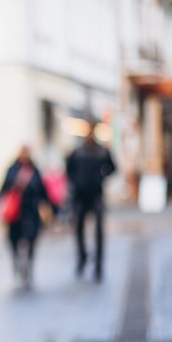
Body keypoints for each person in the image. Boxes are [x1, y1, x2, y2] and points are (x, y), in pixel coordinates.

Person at [66, 119, 116, 282]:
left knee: (99, 231)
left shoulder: (101, 151)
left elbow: (112, 168)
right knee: (79, 228)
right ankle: (82, 257)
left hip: (95, 194)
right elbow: (69, 170)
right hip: (81, 195)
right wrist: (77, 181)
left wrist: (101, 177)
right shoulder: (78, 152)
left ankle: (99, 264)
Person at [0, 144, 51, 289]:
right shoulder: (12, 169)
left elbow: (42, 190)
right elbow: (3, 188)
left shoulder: (34, 169)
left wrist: (49, 207)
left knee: (32, 239)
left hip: (31, 211)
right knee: (14, 240)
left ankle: (29, 266)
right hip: (16, 212)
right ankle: (17, 264)